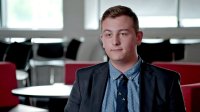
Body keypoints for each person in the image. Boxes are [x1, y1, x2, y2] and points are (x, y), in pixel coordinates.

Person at [64, 5, 186, 112]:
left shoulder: (167, 81)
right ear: (103, 40)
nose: (115, 42)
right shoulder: (84, 79)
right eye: (108, 35)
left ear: (138, 37)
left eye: (123, 34)